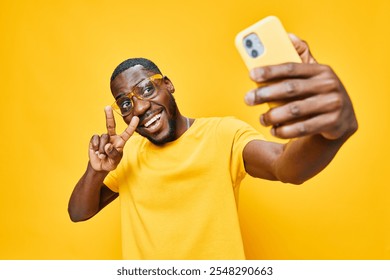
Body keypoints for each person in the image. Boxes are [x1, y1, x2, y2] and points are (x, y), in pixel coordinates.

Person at [68, 34, 358, 259]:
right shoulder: (127, 155)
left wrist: (331, 132)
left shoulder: (222, 134)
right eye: (126, 103)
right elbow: (79, 212)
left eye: (147, 89)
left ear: (168, 84)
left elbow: (285, 166)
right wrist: (95, 171)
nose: (141, 107)